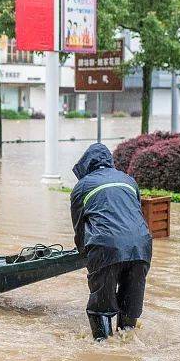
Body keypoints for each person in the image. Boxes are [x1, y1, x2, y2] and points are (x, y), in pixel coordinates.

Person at [70, 143, 153, 340]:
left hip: (105, 247)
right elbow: (134, 215)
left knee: (101, 306)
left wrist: (85, 255)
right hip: (141, 246)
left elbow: (80, 228)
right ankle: (128, 347)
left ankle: (104, 354)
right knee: (130, 304)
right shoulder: (128, 180)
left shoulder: (82, 187)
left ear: (86, 164)